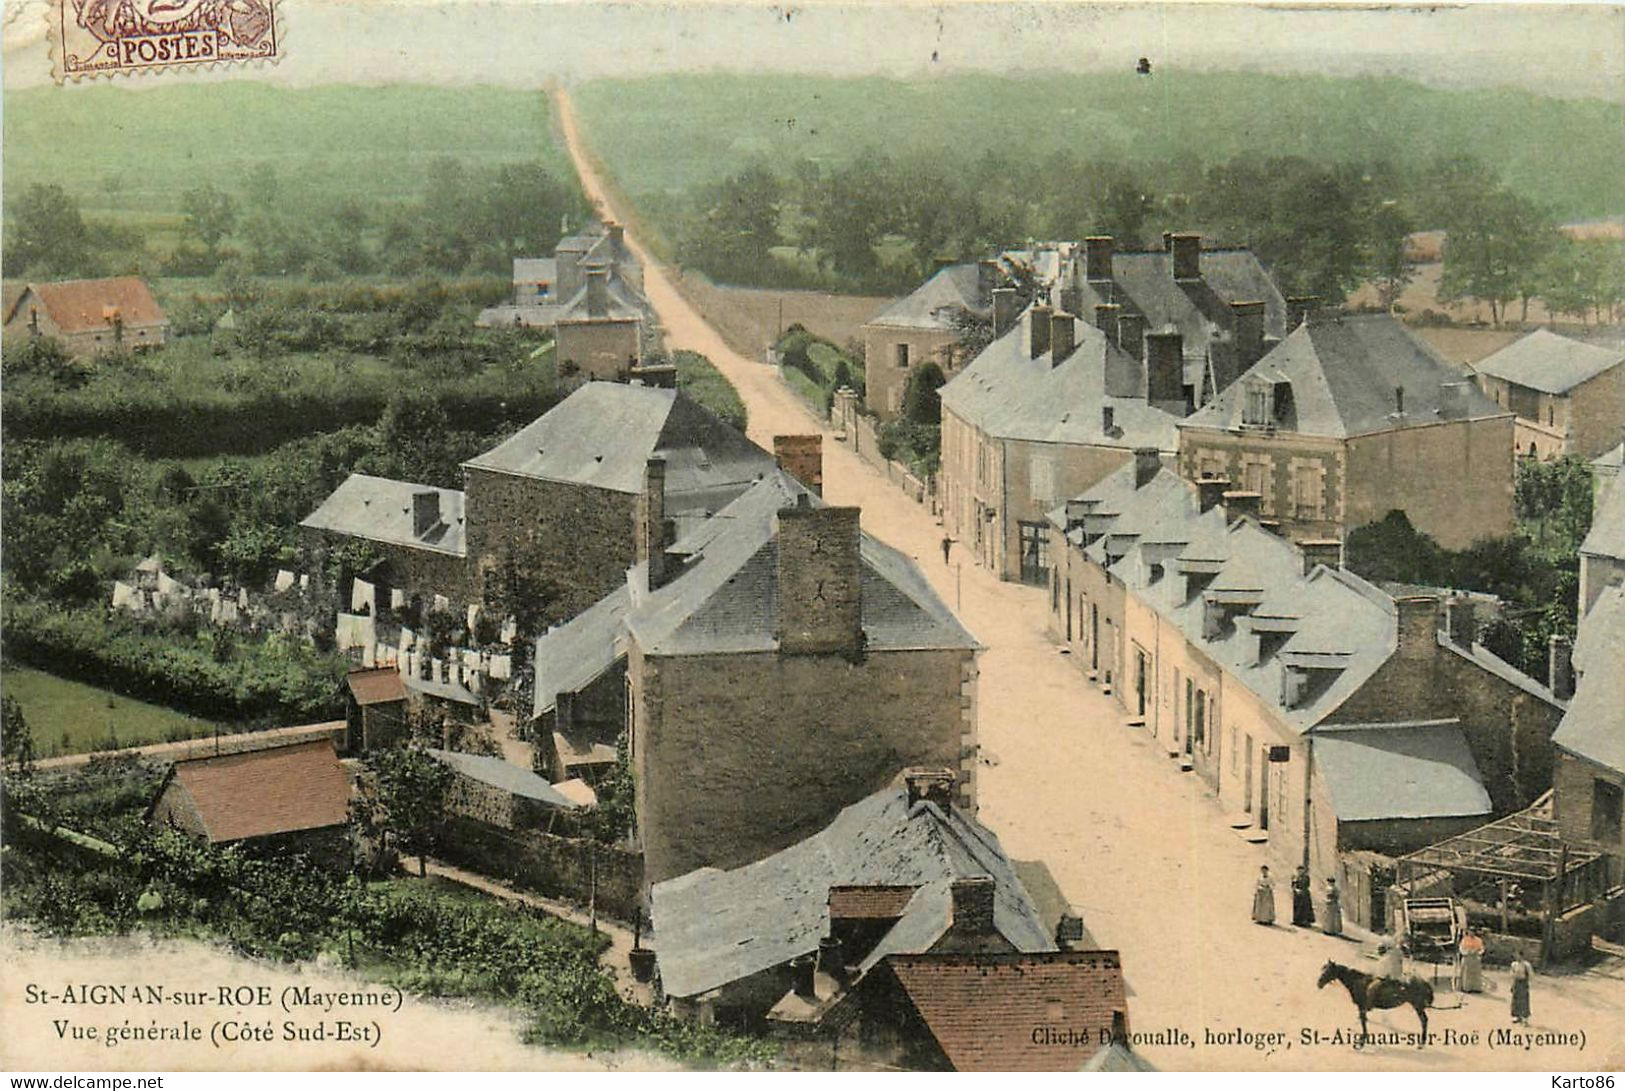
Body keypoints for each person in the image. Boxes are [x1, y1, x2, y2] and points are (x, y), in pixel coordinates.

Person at [1458, 928, 1485, 994]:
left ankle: (1476, 988)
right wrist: (1467, 952)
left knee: (1476, 973)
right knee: (1466, 973)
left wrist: (1478, 952)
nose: (1471, 933)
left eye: (1473, 932)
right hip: (1467, 957)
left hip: (1475, 958)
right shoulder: (1464, 940)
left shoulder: (1478, 940)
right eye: (1470, 932)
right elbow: (1461, 948)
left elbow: (1482, 949)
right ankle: (1466, 988)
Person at [1509, 953, 1533, 1024]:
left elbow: (1531, 975)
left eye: (1519, 956)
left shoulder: (1526, 965)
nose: (1517, 957)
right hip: (1516, 982)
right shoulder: (1514, 964)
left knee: (1524, 1000)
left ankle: (1525, 1018)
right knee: (1515, 1000)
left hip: (1523, 983)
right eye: (1516, 956)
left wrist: (1528, 983)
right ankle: (1517, 1016)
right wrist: (1512, 985)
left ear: (1522, 956)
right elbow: (1512, 974)